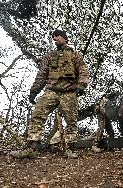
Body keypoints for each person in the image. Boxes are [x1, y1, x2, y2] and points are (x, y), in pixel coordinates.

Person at [9, 29, 89, 158]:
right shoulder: (50, 56)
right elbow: (41, 74)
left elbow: (83, 71)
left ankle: (70, 148)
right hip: (51, 91)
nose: (55, 39)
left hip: (69, 92)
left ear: (65, 38)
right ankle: (32, 147)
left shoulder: (75, 55)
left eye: (57, 36)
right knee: (37, 114)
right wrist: (34, 90)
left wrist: (82, 85)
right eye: (53, 37)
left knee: (71, 120)